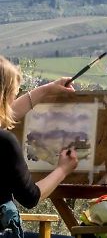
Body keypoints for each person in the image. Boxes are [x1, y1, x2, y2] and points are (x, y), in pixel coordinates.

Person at [0, 56, 79, 238]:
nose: (13, 101)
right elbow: (31, 197)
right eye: (13, 95)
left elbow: (8, 115)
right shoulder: (5, 142)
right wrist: (63, 169)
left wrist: (46, 90)